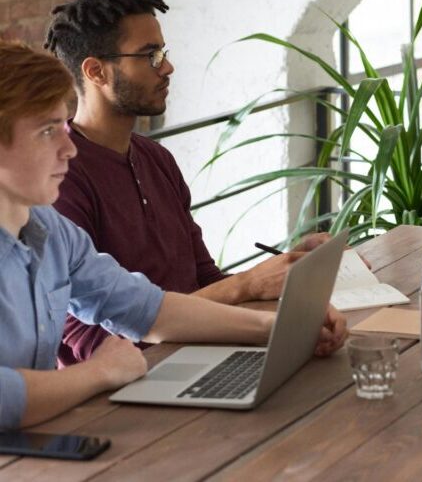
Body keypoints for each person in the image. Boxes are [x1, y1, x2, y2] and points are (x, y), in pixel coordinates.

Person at [0, 42, 346, 429]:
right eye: (48, 132)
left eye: (63, 127)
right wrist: (100, 372)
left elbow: (145, 308)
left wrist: (282, 329)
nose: (68, 149)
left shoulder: (51, 230)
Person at [42, 0, 333, 364]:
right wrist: (247, 286)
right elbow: (90, 345)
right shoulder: (59, 179)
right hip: (129, 387)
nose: (167, 67)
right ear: (96, 71)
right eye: (149, 56)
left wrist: (282, 274)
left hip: (201, 353)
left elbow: (204, 280)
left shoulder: (156, 158)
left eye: (162, 52)